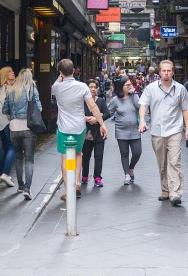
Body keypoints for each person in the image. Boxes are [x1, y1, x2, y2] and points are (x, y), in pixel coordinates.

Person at [138, 60, 188, 207]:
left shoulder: (180, 89)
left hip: (174, 130)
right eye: (164, 71)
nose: (166, 73)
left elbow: (185, 109)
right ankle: (165, 190)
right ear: (159, 72)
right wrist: (142, 120)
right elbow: (143, 105)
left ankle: (176, 193)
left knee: (174, 162)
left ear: (173, 72)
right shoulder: (151, 88)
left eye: (169, 71)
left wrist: (187, 129)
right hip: (157, 131)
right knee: (162, 163)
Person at [52, 59, 108, 201]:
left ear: (60, 72)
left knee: (65, 158)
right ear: (74, 71)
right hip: (79, 127)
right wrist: (102, 124)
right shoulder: (82, 86)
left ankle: (68, 189)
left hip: (64, 128)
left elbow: (58, 81)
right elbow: (93, 107)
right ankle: (77, 183)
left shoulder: (56, 87)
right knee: (78, 154)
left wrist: (61, 76)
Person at [2, 68, 41, 200]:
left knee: (18, 158)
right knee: (29, 159)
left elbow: (4, 109)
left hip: (14, 129)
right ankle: (27, 189)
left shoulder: (11, 90)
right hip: (28, 128)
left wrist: (12, 117)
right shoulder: (31, 89)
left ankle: (20, 185)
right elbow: (39, 108)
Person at [108, 75, 142, 185]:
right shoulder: (115, 100)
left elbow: (139, 108)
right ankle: (127, 174)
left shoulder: (133, 97)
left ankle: (131, 168)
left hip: (135, 130)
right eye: (127, 85)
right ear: (121, 87)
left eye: (130, 84)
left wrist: (135, 94)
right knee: (124, 154)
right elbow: (109, 113)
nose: (130, 86)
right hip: (121, 131)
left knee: (137, 152)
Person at [82, 79, 111, 187]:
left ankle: (97, 177)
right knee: (86, 156)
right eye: (91, 87)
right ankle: (84, 176)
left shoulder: (100, 101)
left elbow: (108, 113)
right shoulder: (82, 102)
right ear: (87, 88)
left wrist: (97, 118)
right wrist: (85, 118)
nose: (93, 89)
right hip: (86, 134)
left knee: (98, 156)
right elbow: (77, 114)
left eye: (95, 87)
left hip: (98, 133)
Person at [0, 67, 15, 188]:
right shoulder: (7, 88)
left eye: (12, 71)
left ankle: (0, 173)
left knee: (5, 147)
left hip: (0, 123)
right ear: (5, 75)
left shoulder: (1, 89)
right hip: (7, 123)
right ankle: (5, 173)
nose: (13, 72)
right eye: (9, 71)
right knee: (12, 148)